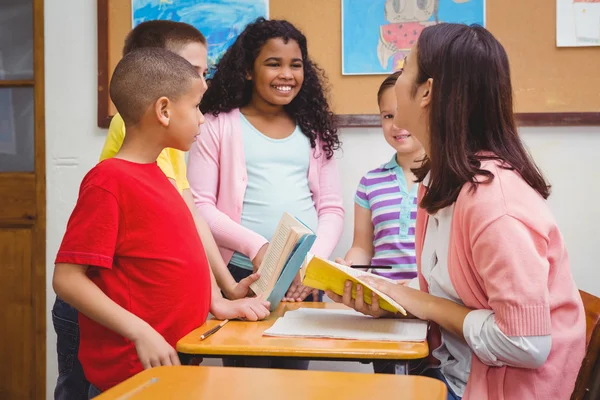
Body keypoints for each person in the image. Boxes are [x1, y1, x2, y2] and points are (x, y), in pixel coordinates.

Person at [328, 23, 586, 400]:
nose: (399, 77)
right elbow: (459, 295)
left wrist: (422, 303)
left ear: (427, 91)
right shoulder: (442, 182)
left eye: (407, 67)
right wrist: (392, 298)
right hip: (453, 374)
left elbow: (527, 344)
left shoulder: (495, 204)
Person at [51, 21, 263, 399]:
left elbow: (179, 260)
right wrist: (141, 331)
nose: (202, 119)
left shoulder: (161, 176)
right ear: (164, 110)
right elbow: (67, 279)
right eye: (196, 107)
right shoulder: (109, 182)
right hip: (133, 371)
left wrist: (218, 301)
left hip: (173, 363)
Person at [188, 18, 345, 369]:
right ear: (247, 70)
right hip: (245, 274)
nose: (286, 74)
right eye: (273, 63)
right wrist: (257, 248)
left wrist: (311, 266)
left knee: (294, 380)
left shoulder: (314, 129)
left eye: (296, 65)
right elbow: (200, 205)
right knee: (247, 379)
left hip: (305, 278)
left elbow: (332, 207)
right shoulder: (215, 124)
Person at [338, 70, 424, 375]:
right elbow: (362, 247)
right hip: (384, 311)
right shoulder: (370, 182)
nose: (396, 125)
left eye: (403, 113)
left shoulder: (449, 181)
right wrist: (348, 269)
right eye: (388, 115)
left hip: (433, 311)